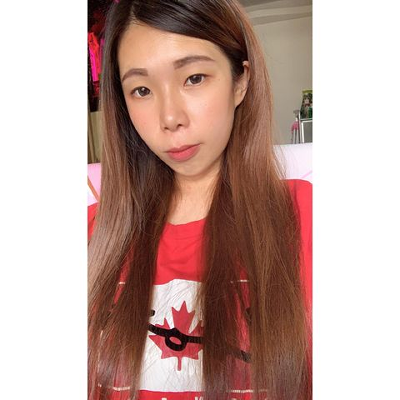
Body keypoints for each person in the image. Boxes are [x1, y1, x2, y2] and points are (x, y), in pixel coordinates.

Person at [88, 1, 312, 399]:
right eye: (142, 90)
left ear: (240, 81)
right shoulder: (92, 233)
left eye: (194, 78)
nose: (170, 117)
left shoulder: (307, 216)